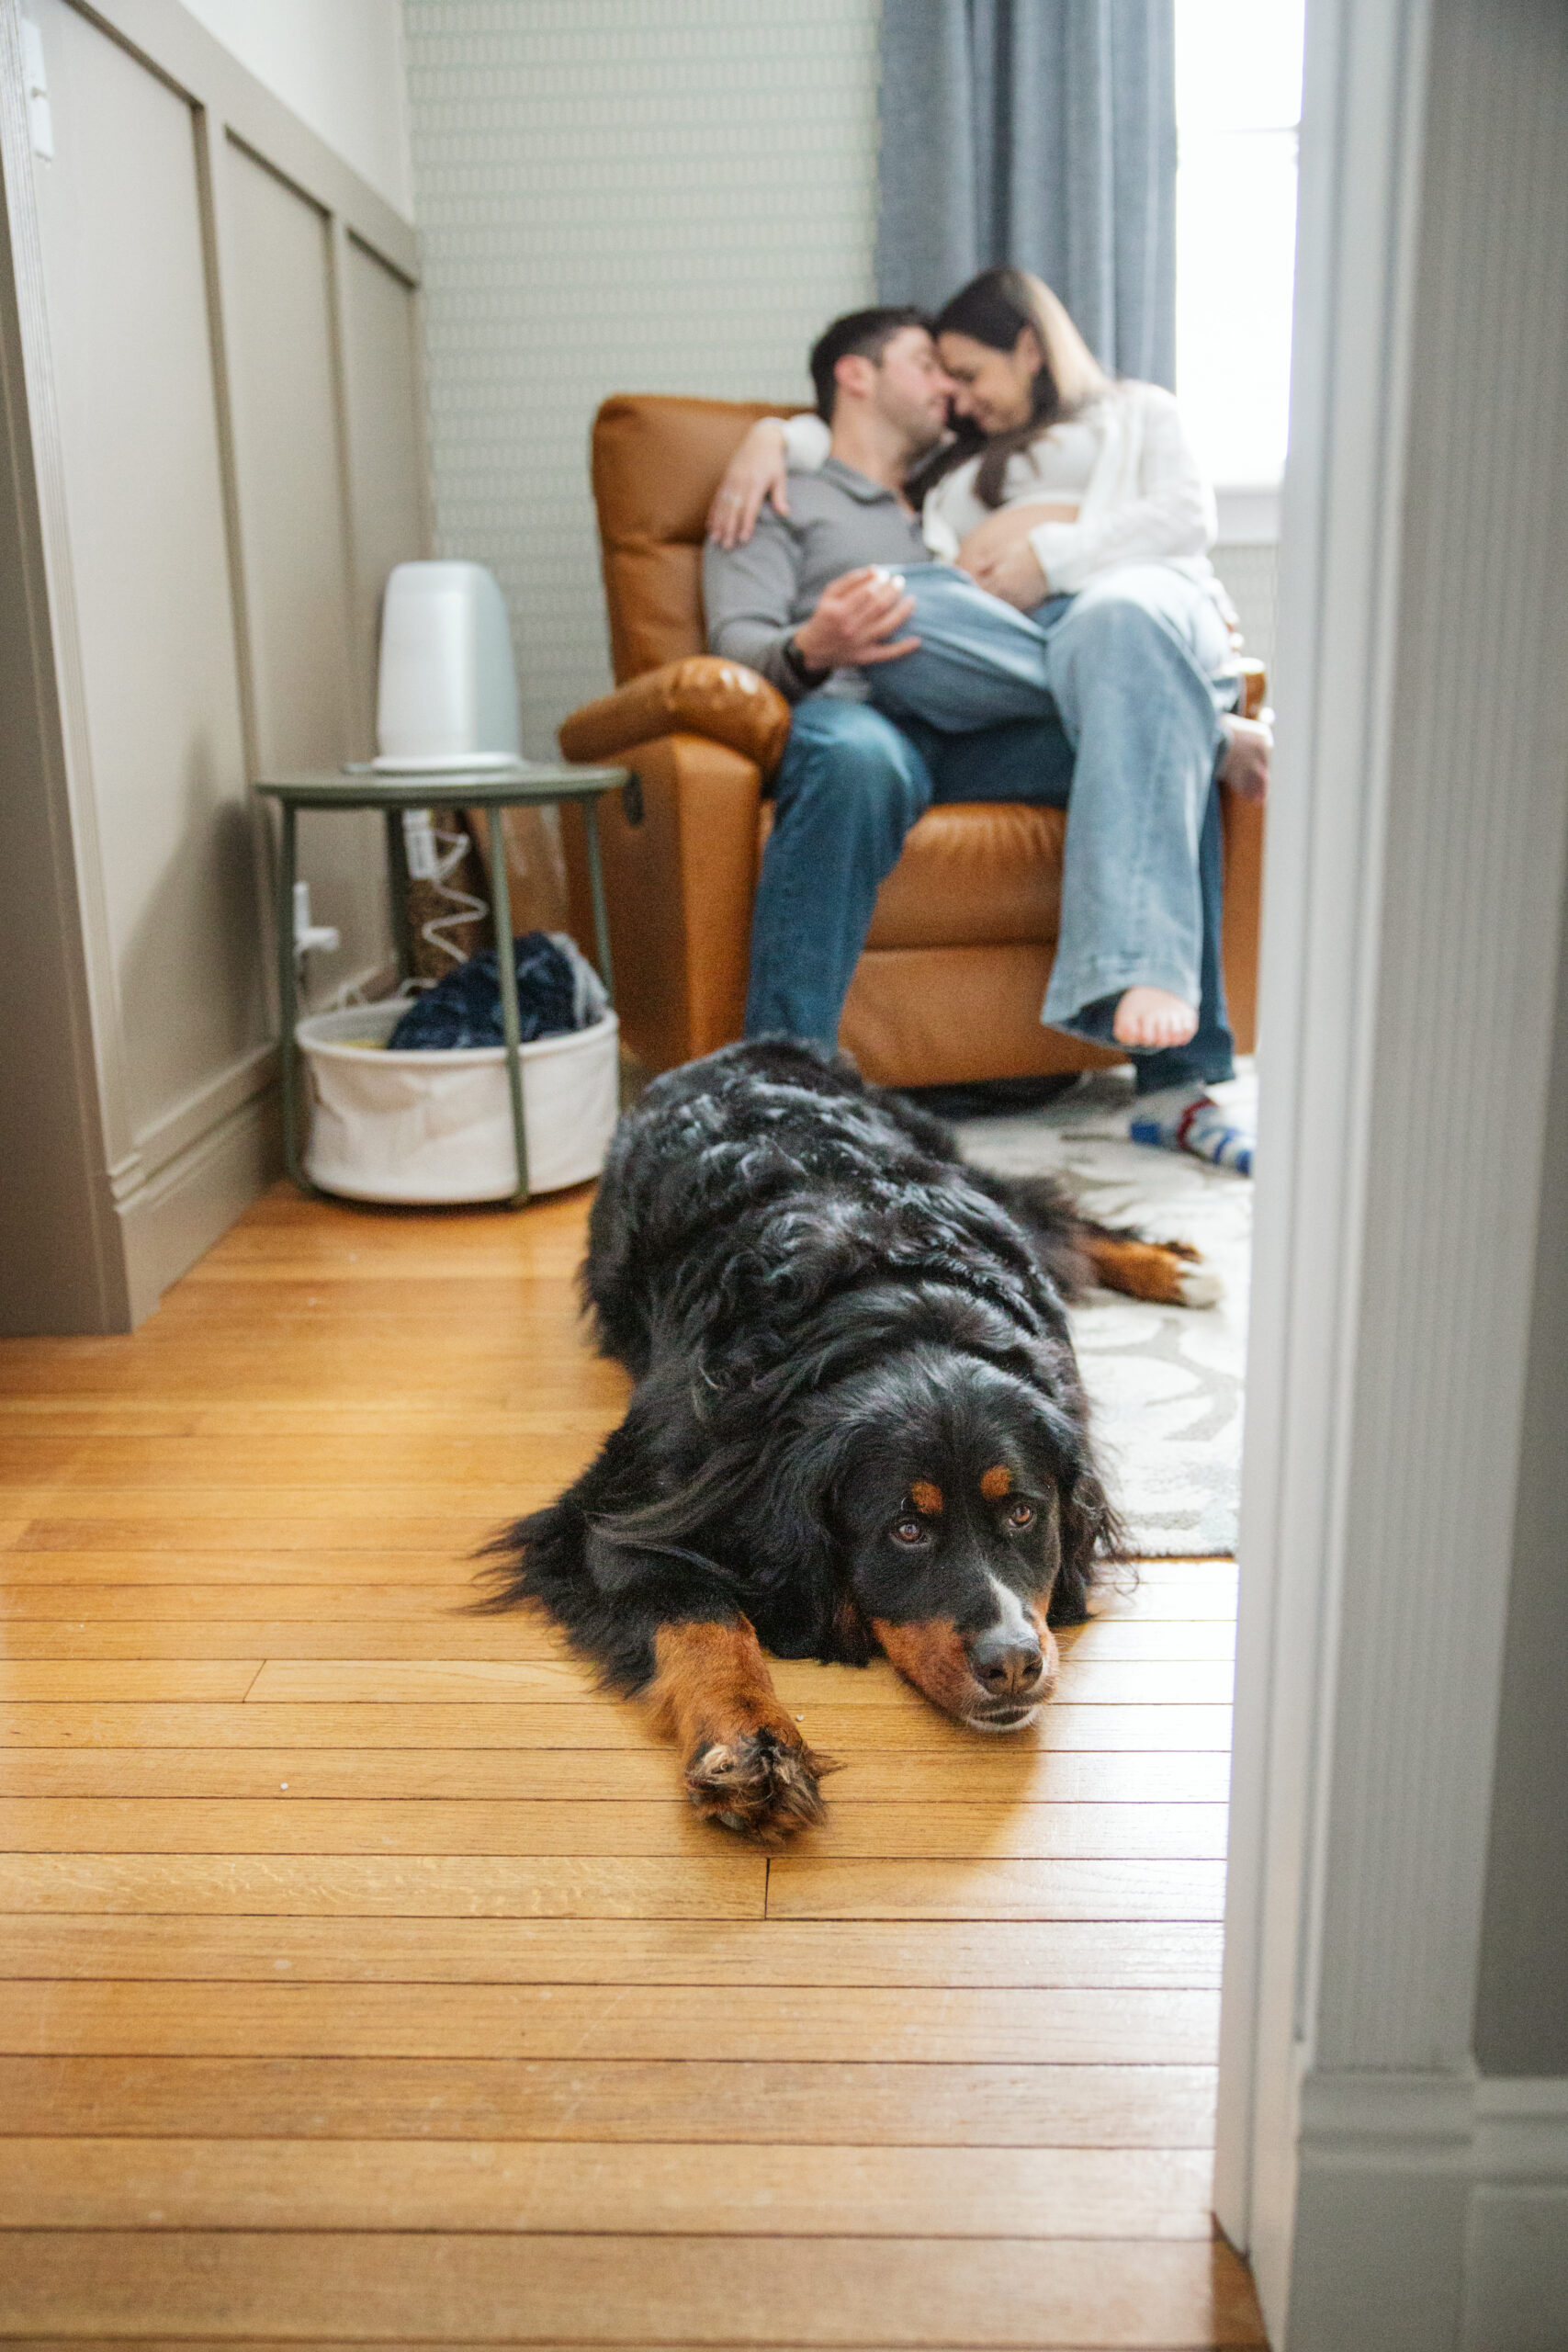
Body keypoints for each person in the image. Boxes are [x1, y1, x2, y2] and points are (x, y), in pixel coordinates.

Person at [705, 279, 1258, 1165]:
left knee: (1148, 733)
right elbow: (736, 643)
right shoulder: (782, 493)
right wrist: (814, 640)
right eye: (926, 365)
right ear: (857, 375)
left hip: (988, 713)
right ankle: (787, 1092)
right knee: (865, 739)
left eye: (957, 371)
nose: (948, 391)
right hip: (869, 712)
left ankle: (1180, 1086)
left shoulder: (940, 487)